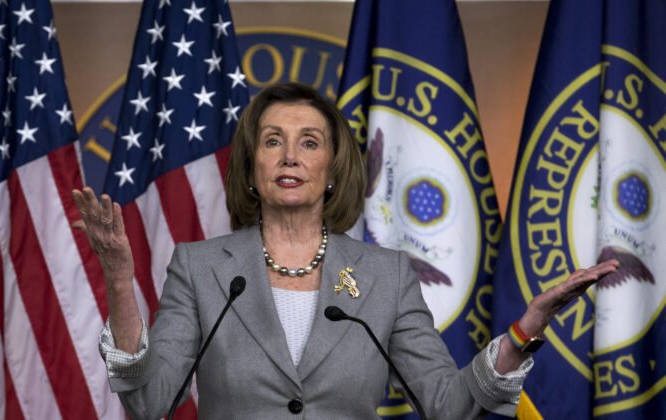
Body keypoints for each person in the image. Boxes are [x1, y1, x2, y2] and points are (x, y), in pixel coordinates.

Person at [72, 82, 618, 419]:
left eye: (309, 142)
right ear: (253, 167)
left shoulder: (386, 275)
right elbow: (148, 404)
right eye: (272, 141)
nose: (290, 155)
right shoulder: (201, 267)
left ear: (332, 171)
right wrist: (120, 277)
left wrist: (524, 331)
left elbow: (448, 407)